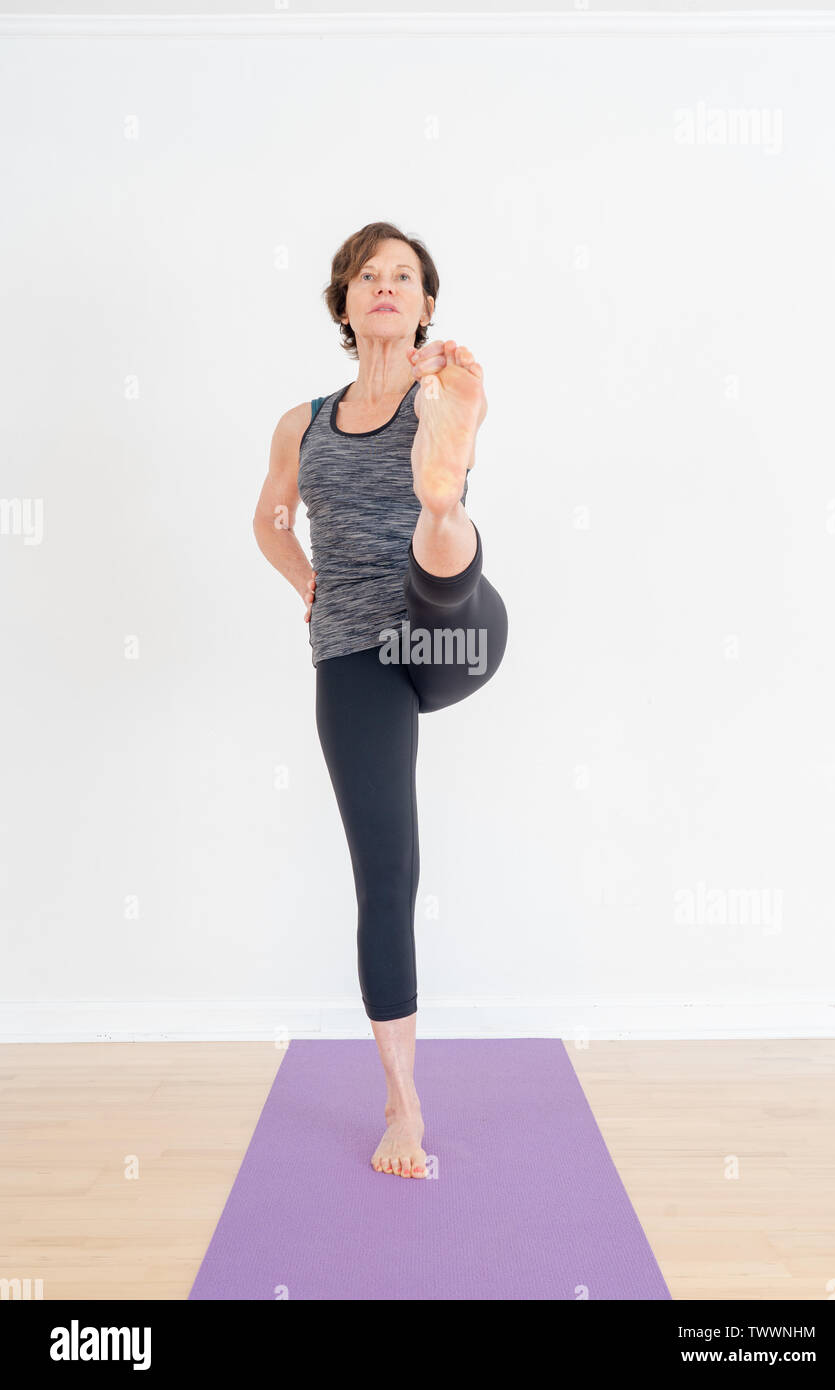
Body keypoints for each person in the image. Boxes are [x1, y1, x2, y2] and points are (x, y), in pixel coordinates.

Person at [253, 222, 508, 1177]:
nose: (387, 286)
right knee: (386, 872)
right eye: (370, 276)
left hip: (446, 627)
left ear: (428, 305)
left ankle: (441, 498)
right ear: (345, 302)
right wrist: (305, 579)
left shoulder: (443, 386)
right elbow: (269, 518)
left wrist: (439, 437)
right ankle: (404, 1107)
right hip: (356, 651)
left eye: (405, 276)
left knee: (442, 546)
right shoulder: (301, 423)